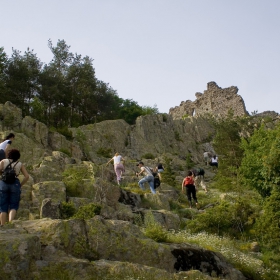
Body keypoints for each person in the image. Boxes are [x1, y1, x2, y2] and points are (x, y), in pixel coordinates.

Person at [0, 149, 29, 226]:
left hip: (3, 183)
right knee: (13, 205)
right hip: (15, 184)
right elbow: (27, 176)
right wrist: (20, 184)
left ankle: (2, 224)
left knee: (3, 205)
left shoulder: (3, 161)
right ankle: (10, 223)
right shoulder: (20, 164)